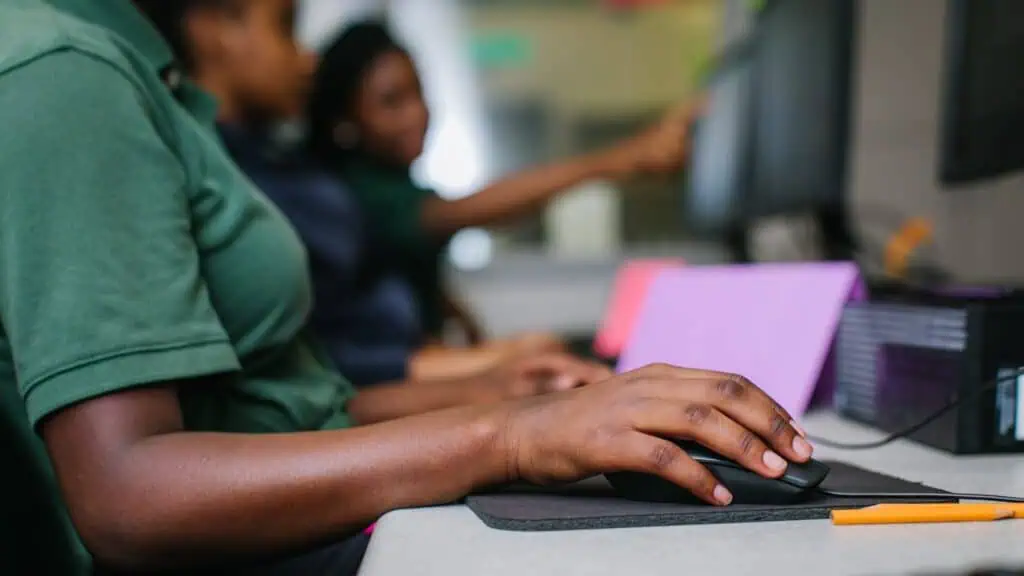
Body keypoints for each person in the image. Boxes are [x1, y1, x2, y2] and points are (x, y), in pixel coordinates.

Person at [0, 1, 814, 575]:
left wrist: (504, 399)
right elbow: (125, 495)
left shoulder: (148, 81)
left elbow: (287, 406)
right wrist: (508, 434)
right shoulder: (66, 72)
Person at [307, 20, 705, 359]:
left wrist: (452, 310)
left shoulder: (393, 181)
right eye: (392, 102)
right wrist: (619, 161)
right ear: (345, 120)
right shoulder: (352, 190)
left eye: (418, 92)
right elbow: (456, 214)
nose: (418, 113)